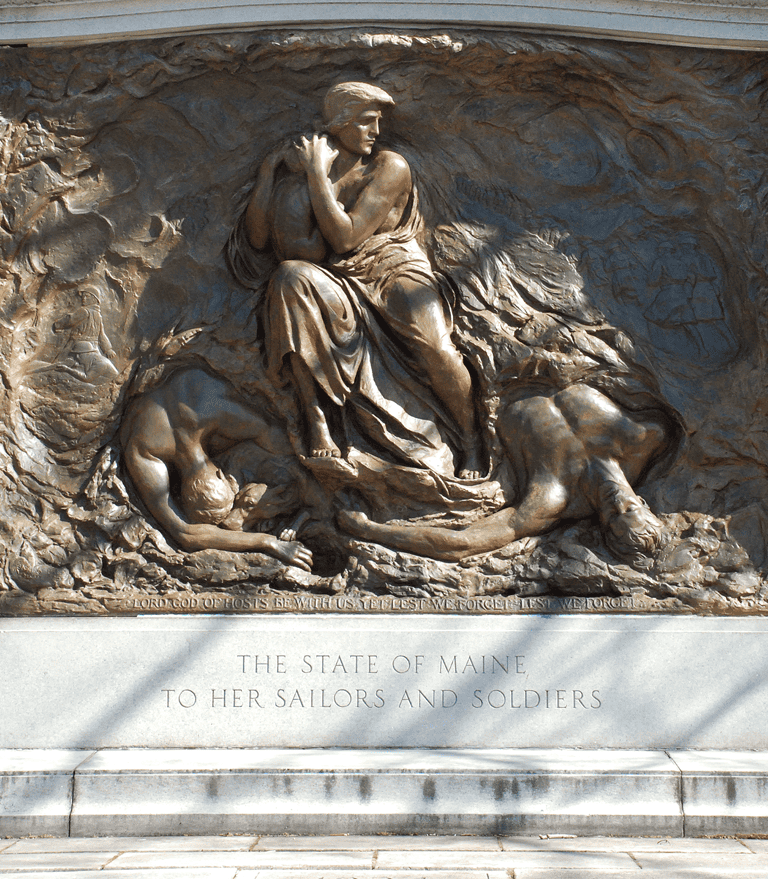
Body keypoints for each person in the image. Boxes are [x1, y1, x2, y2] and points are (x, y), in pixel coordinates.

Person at [238, 82, 484, 479]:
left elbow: (346, 237)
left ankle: (472, 441)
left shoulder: (389, 167)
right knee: (288, 279)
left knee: (436, 348)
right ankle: (317, 421)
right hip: (338, 276)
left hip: (393, 269)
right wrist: (269, 171)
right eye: (366, 122)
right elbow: (258, 239)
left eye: (378, 122)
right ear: (339, 124)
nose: (376, 131)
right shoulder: (310, 177)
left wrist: (316, 174)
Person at [339, 380, 670, 566]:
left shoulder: (552, 499)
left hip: (480, 388)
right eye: (629, 508)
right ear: (643, 502)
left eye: (613, 515)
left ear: (602, 524)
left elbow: (462, 544)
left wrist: (369, 530)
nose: (617, 503)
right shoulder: (645, 439)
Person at [120, 367, 313, 570]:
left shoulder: (146, 453)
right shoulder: (143, 453)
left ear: (222, 473)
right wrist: (266, 541)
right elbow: (186, 534)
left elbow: (275, 437)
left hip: (187, 383)